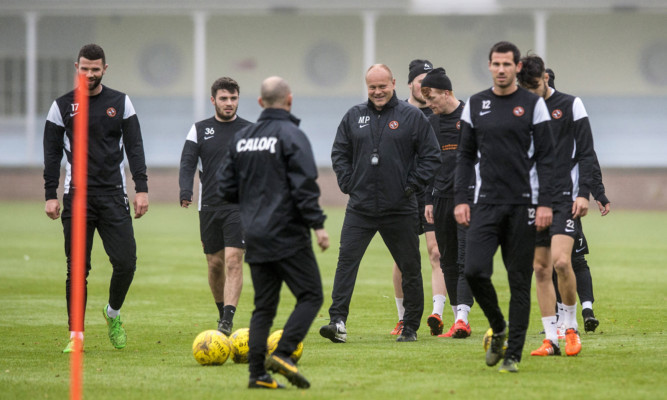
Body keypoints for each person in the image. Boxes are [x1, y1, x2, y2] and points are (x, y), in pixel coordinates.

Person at [218, 76, 329, 389]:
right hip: (288, 233)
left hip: (253, 233)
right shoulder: (292, 135)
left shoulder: (241, 138)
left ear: (259, 102)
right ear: (289, 100)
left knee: (264, 306)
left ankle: (257, 375)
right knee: (311, 295)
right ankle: (283, 353)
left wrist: (254, 201)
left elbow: (224, 187)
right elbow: (305, 185)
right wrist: (317, 224)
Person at [454, 41, 555, 372]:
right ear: (489, 66)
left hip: (524, 205)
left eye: (506, 65)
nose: (501, 70)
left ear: (516, 68)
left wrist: (545, 204)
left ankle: (512, 355)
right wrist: (461, 199)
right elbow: (465, 156)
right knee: (473, 270)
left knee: (519, 281)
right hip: (485, 204)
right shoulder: (476, 104)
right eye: (495, 64)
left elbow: (547, 158)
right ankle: (498, 327)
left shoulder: (532, 104)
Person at [323, 64, 440, 343]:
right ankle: (337, 321)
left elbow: (432, 155)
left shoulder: (412, 117)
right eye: (372, 87)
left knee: (410, 267)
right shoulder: (354, 116)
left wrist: (411, 185)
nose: (377, 92)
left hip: (400, 207)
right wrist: (348, 183)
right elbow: (339, 152)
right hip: (360, 207)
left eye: (382, 86)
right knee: (346, 264)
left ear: (393, 83)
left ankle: (410, 326)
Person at [43, 44, 149, 353]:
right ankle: (76, 335)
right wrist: (51, 194)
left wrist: (140, 187)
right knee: (77, 268)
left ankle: (112, 313)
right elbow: (51, 153)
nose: (90, 74)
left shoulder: (121, 102)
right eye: (85, 68)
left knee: (126, 263)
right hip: (76, 197)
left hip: (114, 195)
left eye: (95, 69)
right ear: (76, 66)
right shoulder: (61, 106)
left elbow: (135, 146)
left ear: (105, 69)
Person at [516, 54, 595, 358]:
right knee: (539, 268)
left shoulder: (571, 104)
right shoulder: (518, 108)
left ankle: (571, 327)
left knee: (562, 262)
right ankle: (551, 338)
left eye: (534, 86)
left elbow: (587, 152)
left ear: (545, 78)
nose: (530, 92)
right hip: (531, 199)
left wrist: (583, 193)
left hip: (564, 196)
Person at [178, 77, 252, 336]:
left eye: (233, 98)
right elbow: (188, 162)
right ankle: (222, 313)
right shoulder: (199, 129)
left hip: (238, 207)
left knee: (233, 261)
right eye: (224, 98)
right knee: (215, 264)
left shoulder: (251, 130)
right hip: (209, 206)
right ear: (213, 100)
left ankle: (227, 320)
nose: (229, 103)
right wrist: (185, 190)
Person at [547, 68, 609, 333]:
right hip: (540, 201)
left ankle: (581, 311)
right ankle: (566, 316)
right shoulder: (529, 118)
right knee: (553, 261)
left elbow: (588, 157)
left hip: (568, 201)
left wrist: (597, 192)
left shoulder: (570, 116)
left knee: (570, 260)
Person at [391, 59, 448, 337]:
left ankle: (436, 314)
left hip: (433, 193)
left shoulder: (440, 114)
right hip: (404, 194)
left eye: (428, 80)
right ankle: (403, 318)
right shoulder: (398, 113)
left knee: (436, 252)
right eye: (419, 80)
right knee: (402, 257)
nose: (424, 85)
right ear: (410, 83)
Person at [420, 67, 474, 339]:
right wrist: (428, 199)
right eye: (425, 100)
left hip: (467, 199)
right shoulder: (430, 122)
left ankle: (463, 317)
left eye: (432, 99)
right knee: (448, 262)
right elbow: (429, 163)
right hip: (439, 199)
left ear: (448, 93)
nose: (429, 105)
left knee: (466, 259)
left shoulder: (469, 117)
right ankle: (457, 319)